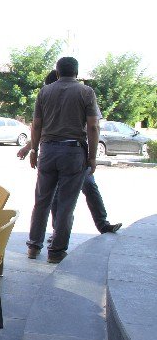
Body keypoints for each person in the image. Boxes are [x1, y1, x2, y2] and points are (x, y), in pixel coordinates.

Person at [18, 70, 121, 236]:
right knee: (63, 199)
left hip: (62, 153)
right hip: (74, 154)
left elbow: (40, 128)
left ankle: (100, 224)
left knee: (59, 196)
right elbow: (42, 129)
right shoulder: (79, 93)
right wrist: (29, 147)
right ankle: (58, 236)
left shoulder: (52, 95)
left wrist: (32, 149)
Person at [26, 57, 100, 264]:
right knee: (66, 204)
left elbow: (36, 125)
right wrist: (92, 157)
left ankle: (33, 246)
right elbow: (93, 126)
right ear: (77, 73)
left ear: (57, 73)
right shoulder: (86, 92)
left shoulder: (45, 91)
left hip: (47, 151)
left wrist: (33, 149)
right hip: (73, 152)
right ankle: (56, 251)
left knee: (41, 201)